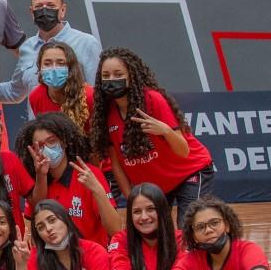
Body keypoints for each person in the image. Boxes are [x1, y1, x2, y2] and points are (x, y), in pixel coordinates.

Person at [91, 47, 214, 222]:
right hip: (157, 186)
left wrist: (164, 130)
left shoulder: (152, 99)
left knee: (188, 227)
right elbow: (116, 164)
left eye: (118, 74)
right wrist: (132, 197)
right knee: (155, 232)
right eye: (106, 76)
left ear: (131, 76)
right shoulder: (105, 112)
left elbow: (183, 150)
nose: (112, 80)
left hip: (190, 172)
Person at [19, 112, 121, 247]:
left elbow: (116, 230)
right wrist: (41, 176)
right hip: (55, 261)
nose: (46, 149)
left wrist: (98, 191)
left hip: (92, 259)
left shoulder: (87, 174)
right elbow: (35, 223)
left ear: (64, 142)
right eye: (40, 146)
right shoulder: (37, 179)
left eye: (51, 141)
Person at [0, 0, 102, 106]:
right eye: (39, 6)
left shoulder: (86, 43)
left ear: (63, 10)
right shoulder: (27, 47)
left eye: (51, 6)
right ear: (32, 12)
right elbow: (14, 92)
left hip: (75, 123)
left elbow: (97, 94)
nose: (44, 10)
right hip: (38, 123)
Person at [27, 41, 94, 134]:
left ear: (70, 67)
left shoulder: (89, 96)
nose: (54, 69)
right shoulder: (36, 96)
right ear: (40, 67)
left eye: (61, 63)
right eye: (47, 63)